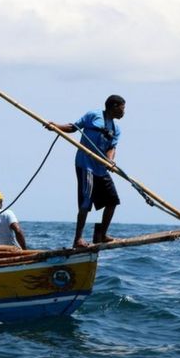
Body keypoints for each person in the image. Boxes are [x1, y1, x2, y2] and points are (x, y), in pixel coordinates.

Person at [49, 94, 126, 247]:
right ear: (114, 106)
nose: (124, 112)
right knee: (86, 202)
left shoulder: (116, 128)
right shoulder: (93, 115)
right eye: (123, 108)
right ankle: (78, 239)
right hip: (86, 165)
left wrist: (109, 160)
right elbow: (73, 127)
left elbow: (112, 147)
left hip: (100, 168)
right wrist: (55, 126)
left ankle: (102, 234)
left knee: (113, 200)